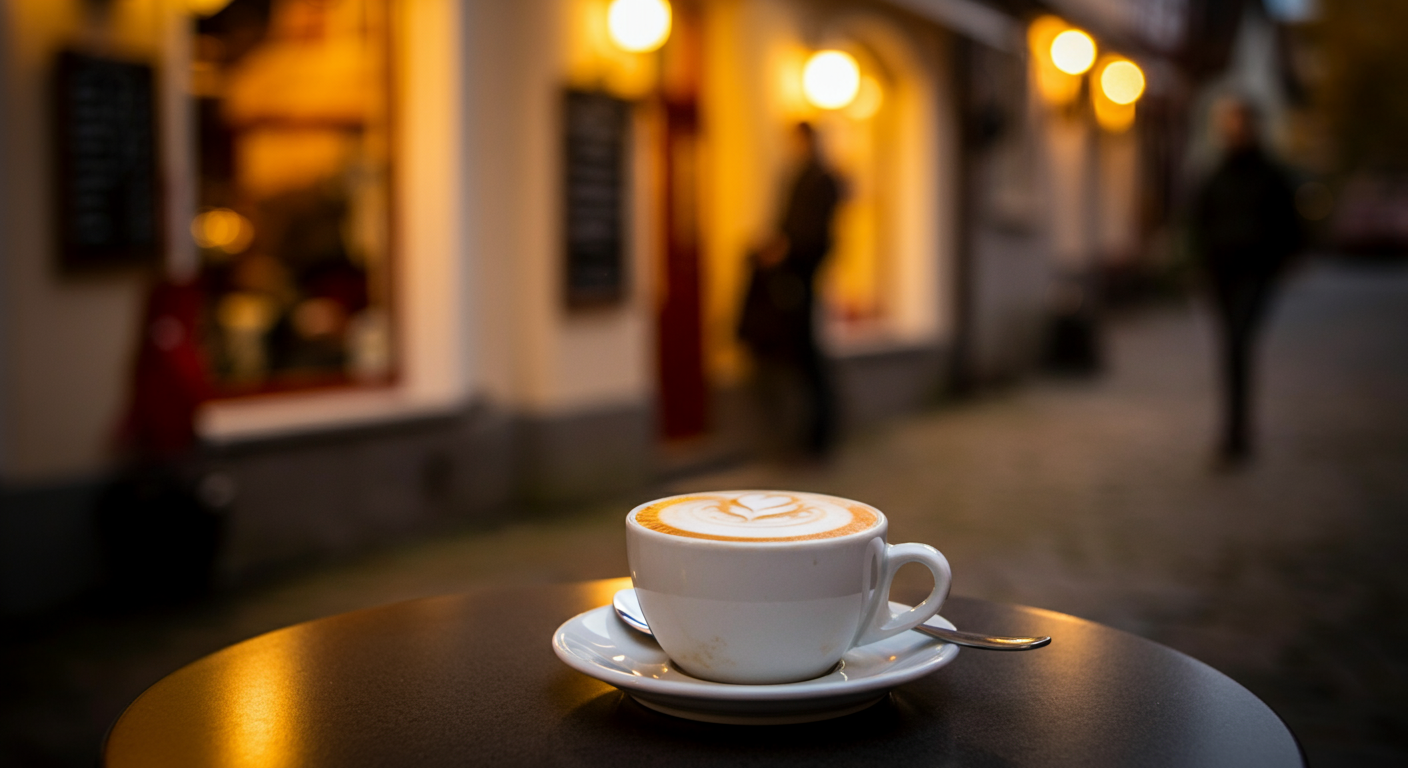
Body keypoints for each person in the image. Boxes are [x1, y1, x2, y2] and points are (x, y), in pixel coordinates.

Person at [1191, 97, 1303, 464]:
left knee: (1239, 341)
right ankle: (1234, 427)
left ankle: (1237, 430)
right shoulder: (1216, 172)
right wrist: (1199, 262)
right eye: (1231, 123)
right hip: (1221, 271)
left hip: (1256, 270)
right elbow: (1198, 220)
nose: (1236, 129)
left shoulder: (1270, 174)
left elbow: (1290, 223)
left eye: (1241, 123)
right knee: (1230, 346)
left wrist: (1281, 260)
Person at [738, 123, 842, 459]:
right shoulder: (796, 176)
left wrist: (789, 250)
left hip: (801, 281)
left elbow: (815, 235)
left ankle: (818, 436)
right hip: (789, 280)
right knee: (798, 360)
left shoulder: (821, 179)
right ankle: (806, 436)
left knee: (808, 358)